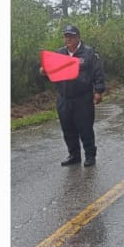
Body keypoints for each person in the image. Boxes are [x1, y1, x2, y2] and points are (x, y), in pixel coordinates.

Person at [44, 24, 106, 167]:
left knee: (85, 128)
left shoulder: (89, 53)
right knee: (68, 128)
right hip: (64, 97)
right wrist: (44, 71)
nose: (68, 39)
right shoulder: (60, 53)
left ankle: (90, 156)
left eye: (71, 36)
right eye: (66, 36)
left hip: (82, 98)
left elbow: (98, 73)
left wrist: (98, 91)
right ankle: (74, 155)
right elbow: (51, 72)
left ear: (78, 37)